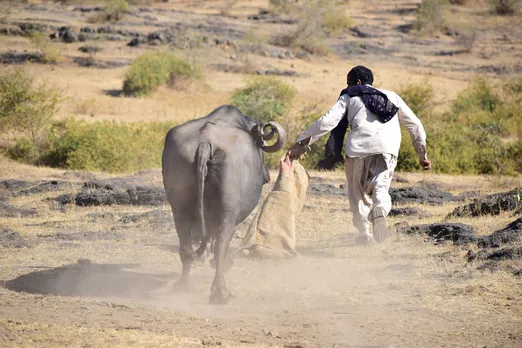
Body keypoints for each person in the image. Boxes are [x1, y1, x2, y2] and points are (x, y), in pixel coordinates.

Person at [288, 66, 431, 245]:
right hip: (387, 148)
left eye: (349, 83)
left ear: (356, 82)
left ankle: (364, 234)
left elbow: (326, 122)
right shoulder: (392, 96)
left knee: (358, 194)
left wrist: (302, 143)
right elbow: (415, 125)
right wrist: (421, 153)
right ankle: (379, 209)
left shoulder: (349, 96)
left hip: (357, 149)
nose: (347, 86)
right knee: (380, 185)